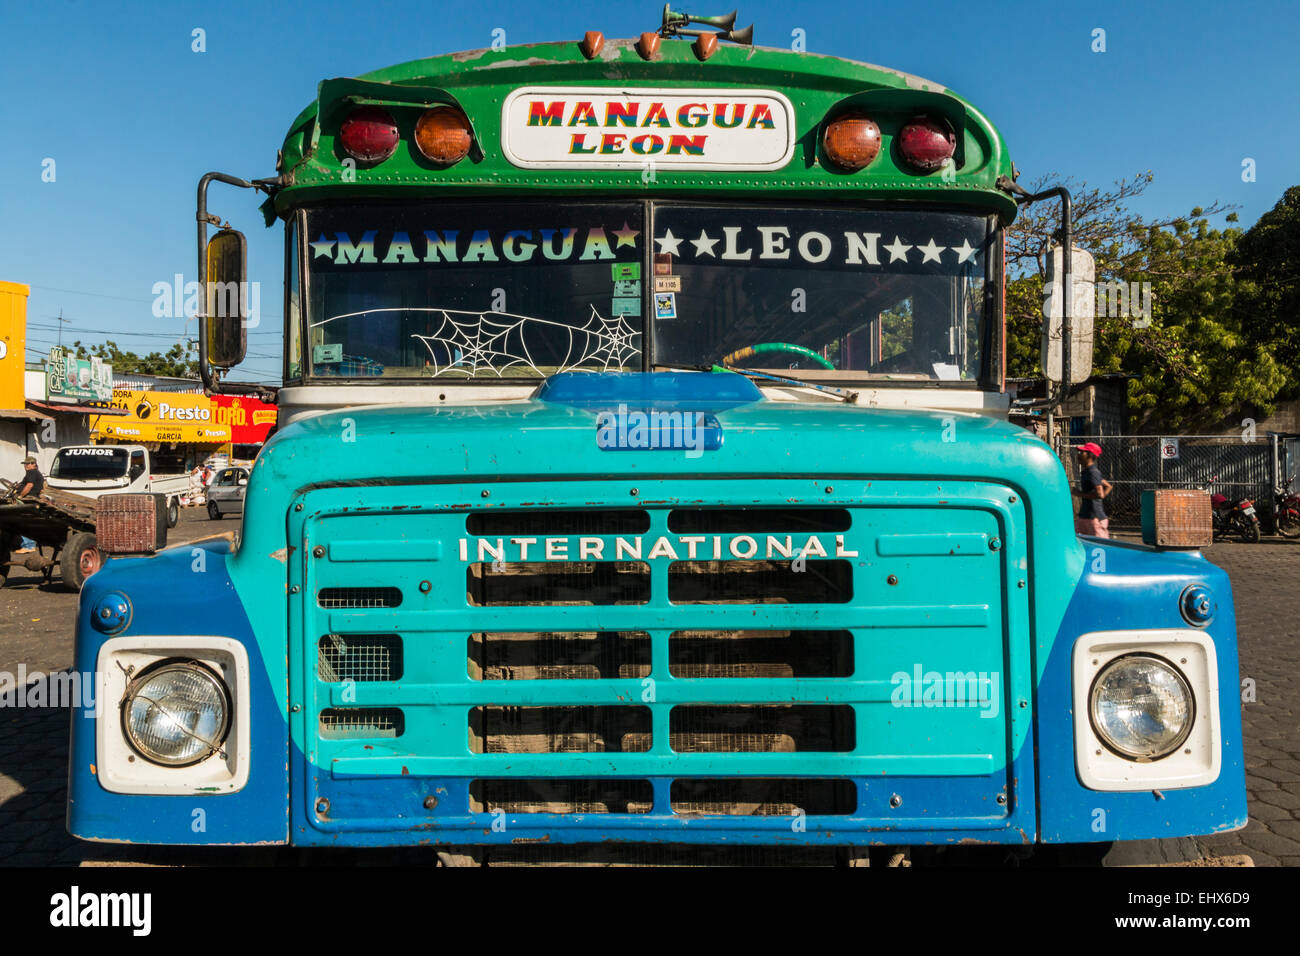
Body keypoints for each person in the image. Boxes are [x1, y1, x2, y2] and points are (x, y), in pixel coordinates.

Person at [1075, 442, 1112, 538]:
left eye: (1082, 452)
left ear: (1089, 455)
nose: (1079, 455)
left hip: (1094, 518)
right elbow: (1108, 486)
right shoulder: (1087, 472)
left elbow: (1100, 494)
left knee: (1100, 548)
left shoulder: (1093, 472)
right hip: (1084, 516)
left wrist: (1079, 494)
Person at [13, 455, 44, 554]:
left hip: (29, 500)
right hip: (30, 499)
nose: (25, 466)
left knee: (24, 521)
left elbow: (29, 485)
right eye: (25, 464)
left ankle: (29, 545)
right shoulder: (33, 473)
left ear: (33, 464)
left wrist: (20, 496)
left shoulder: (32, 472)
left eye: (28, 464)